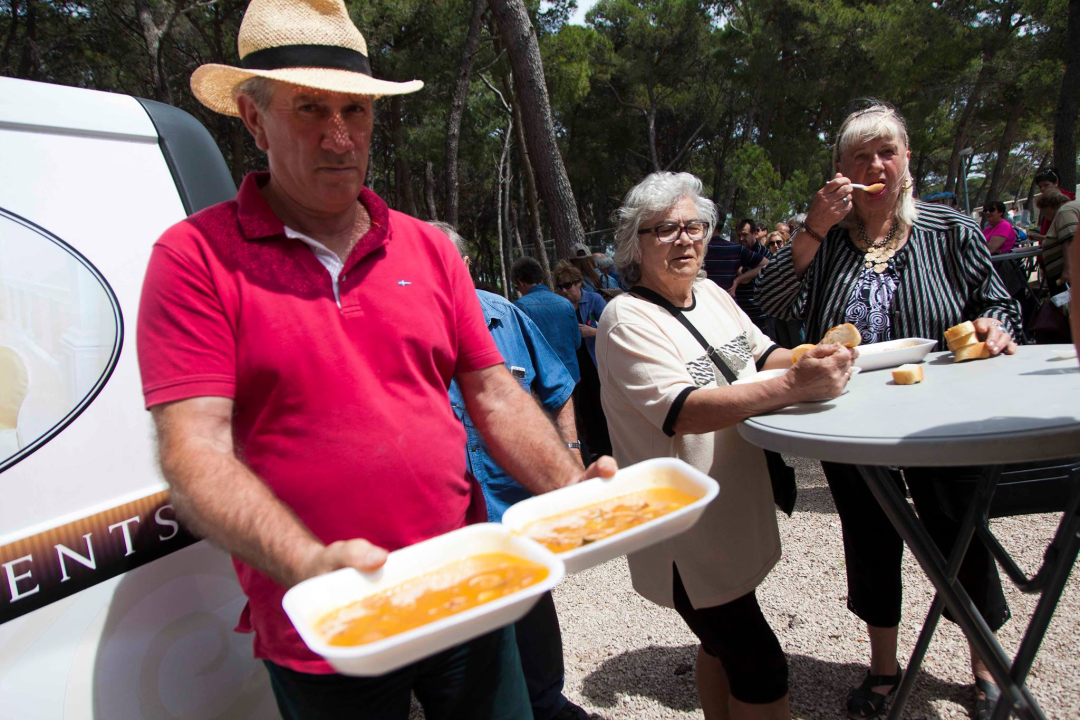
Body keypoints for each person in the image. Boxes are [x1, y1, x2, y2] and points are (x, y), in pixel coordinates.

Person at [135, 3, 616, 718]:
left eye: (356, 111)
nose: (339, 137)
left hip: (466, 580)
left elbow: (492, 390)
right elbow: (193, 454)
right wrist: (309, 565)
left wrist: (573, 489)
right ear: (253, 118)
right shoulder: (194, 258)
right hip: (328, 615)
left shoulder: (425, 247)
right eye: (309, 109)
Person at [757, 100, 1022, 720]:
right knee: (870, 537)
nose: (875, 164)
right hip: (849, 419)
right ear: (841, 170)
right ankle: (882, 666)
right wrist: (814, 228)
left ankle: (983, 662)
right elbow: (771, 299)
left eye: (887, 152)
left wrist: (995, 327)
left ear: (907, 162)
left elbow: (1000, 302)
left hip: (941, 414)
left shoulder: (947, 228)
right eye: (860, 155)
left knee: (959, 533)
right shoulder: (827, 241)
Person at [598, 171, 855, 720]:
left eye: (694, 226)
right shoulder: (626, 319)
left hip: (730, 510)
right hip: (685, 533)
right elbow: (684, 411)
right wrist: (796, 386)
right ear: (634, 244)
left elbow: (762, 357)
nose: (684, 239)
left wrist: (814, 355)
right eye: (664, 229)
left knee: (720, 642)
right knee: (760, 664)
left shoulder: (712, 293)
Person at [435, 223, 593, 720]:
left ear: (465, 265)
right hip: (449, 513)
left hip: (510, 500)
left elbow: (558, 386)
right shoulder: (403, 327)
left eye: (450, 264)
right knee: (464, 621)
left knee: (532, 605)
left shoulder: (505, 315)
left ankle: (547, 701)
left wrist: (570, 452)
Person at [553, 260, 612, 460]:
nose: (564, 291)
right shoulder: (560, 306)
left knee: (601, 406)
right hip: (575, 366)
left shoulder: (594, 300)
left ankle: (609, 447)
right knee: (584, 410)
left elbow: (613, 329)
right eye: (560, 287)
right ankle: (594, 449)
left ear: (579, 283)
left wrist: (592, 331)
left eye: (568, 285)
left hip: (596, 363)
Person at [512, 256, 582, 383]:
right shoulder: (566, 304)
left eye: (517, 287)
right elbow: (577, 343)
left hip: (542, 382)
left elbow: (519, 351)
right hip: (570, 378)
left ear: (521, 282)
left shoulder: (519, 308)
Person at [1035, 191, 1078, 292]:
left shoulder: (1064, 212)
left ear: (1049, 206)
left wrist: (1068, 270)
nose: (1044, 215)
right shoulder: (1070, 208)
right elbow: (1061, 237)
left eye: (1043, 211)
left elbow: (1069, 240)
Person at [1034, 168, 1076, 235]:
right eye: (1040, 186)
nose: (1042, 189)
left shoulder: (1065, 200)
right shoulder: (1045, 200)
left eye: (1046, 185)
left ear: (1056, 183)